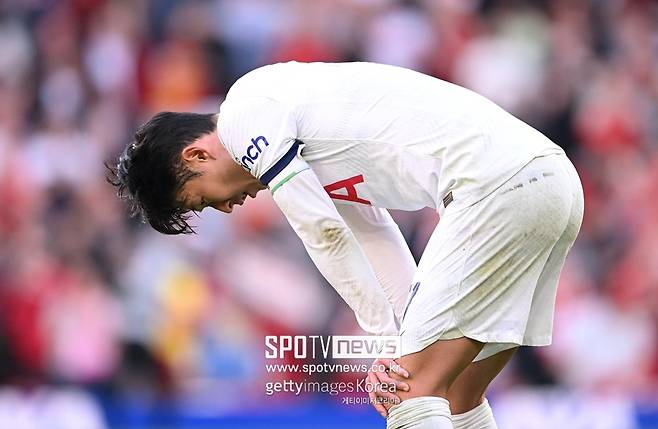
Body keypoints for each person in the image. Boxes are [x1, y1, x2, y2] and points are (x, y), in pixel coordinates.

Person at [108, 61, 584, 429]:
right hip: (551, 182)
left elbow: (323, 232)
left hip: (496, 189)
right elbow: (373, 232)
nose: (229, 207)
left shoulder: (244, 115)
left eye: (207, 201)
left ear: (197, 154)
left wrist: (390, 347)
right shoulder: (303, 119)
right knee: (456, 393)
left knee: (408, 389)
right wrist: (398, 337)